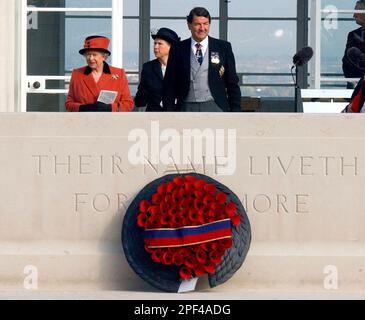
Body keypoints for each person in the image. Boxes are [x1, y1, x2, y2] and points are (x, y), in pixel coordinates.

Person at [162, 7, 241, 112]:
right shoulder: (178, 48)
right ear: (189, 25)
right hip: (185, 108)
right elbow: (169, 84)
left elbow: (232, 83)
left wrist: (236, 112)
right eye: (197, 24)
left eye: (205, 24)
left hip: (216, 107)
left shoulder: (223, 47)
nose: (202, 28)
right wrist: (169, 112)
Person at [66, 35, 133, 112]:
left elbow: (128, 104)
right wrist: (85, 108)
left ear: (104, 56)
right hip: (84, 121)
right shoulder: (77, 74)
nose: (90, 58)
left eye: (94, 54)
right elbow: (69, 104)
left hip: (110, 121)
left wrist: (110, 108)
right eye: (88, 54)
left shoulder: (119, 74)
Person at [134, 28, 180, 111]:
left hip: (176, 116)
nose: (155, 47)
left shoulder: (181, 66)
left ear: (171, 47)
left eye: (160, 44)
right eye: (155, 43)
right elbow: (140, 101)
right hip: (154, 117)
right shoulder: (148, 68)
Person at [342, 1, 365, 88]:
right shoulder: (352, 35)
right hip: (355, 85)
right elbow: (346, 62)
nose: (354, 16)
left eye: (357, 11)